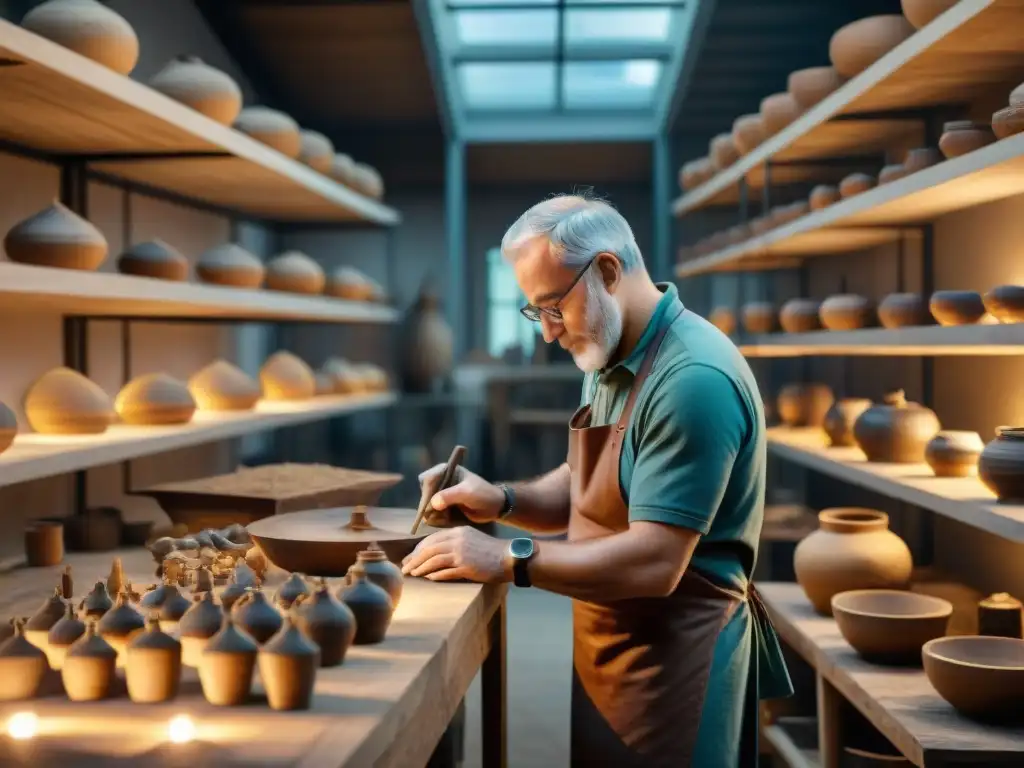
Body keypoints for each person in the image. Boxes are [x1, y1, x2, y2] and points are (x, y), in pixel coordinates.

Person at [401, 194, 792, 767]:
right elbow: (589, 480)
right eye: (536, 313)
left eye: (553, 307)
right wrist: (501, 499)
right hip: (613, 641)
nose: (548, 335)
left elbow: (656, 561)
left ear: (608, 271)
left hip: (678, 659)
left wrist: (508, 557)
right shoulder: (613, 352)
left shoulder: (693, 380)